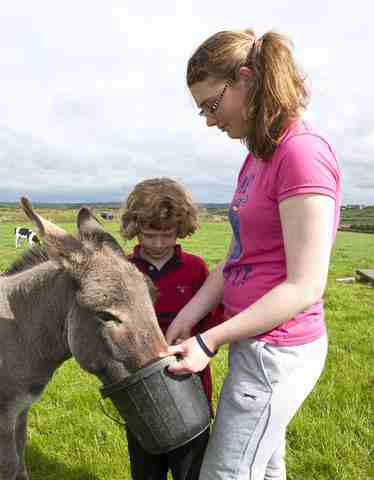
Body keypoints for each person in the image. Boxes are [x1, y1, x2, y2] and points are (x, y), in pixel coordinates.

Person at [166, 30, 341, 480]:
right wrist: (192, 313)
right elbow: (236, 259)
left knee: (225, 472)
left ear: (245, 79)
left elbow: (305, 285)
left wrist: (210, 340)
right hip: (255, 341)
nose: (208, 120)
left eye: (211, 104)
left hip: (278, 351)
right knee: (264, 468)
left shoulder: (301, 154)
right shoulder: (258, 156)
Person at [120, 177, 222, 480]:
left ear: (180, 229)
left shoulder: (196, 269)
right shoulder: (125, 271)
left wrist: (201, 342)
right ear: (136, 229)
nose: (158, 244)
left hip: (189, 388)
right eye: (150, 235)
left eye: (167, 235)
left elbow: (212, 324)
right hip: (141, 391)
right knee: (145, 470)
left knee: (191, 470)